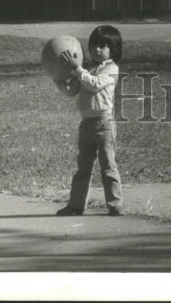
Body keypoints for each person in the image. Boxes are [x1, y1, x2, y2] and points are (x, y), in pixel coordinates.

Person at [54, 25, 124, 217]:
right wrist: (59, 79)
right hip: (86, 125)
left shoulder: (111, 69)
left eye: (103, 46)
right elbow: (71, 91)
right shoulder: (87, 69)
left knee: (108, 166)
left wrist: (77, 68)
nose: (97, 49)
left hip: (104, 125)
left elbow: (93, 85)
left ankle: (115, 204)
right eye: (94, 45)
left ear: (114, 49)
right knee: (82, 168)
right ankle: (76, 205)